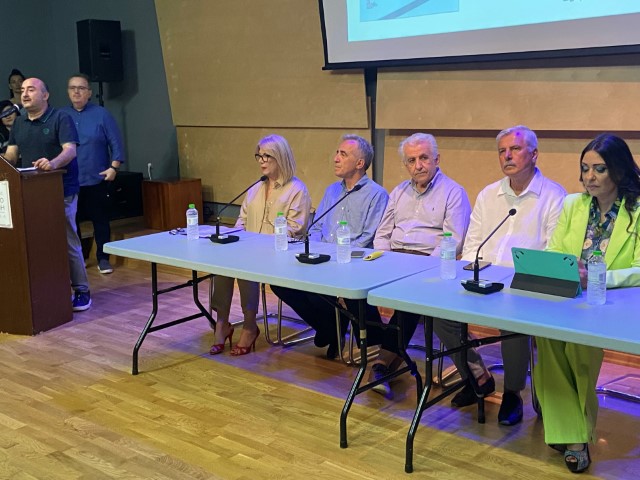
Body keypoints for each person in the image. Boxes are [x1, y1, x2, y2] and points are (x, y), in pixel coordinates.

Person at [433, 125, 566, 426]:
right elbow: (472, 245)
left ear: (534, 154)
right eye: (502, 151)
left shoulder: (553, 196)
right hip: (484, 279)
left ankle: (513, 393)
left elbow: (553, 251)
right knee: (440, 315)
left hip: (524, 285)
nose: (507, 156)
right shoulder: (488, 194)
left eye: (515, 149)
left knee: (512, 321)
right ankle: (477, 376)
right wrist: (468, 276)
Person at [535, 134, 640, 473]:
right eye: (585, 168)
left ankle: (572, 436)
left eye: (599, 169)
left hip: (612, 301)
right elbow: (554, 250)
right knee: (546, 337)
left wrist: (597, 277)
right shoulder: (573, 205)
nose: (590, 177)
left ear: (619, 171)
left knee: (579, 348)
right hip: (568, 295)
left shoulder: (637, 211)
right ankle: (573, 433)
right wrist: (567, 271)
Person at [368, 132, 471, 398]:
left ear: (437, 159)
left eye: (424, 158)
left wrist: (422, 267)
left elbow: (453, 240)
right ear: (406, 164)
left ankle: (381, 363)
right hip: (394, 260)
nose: (418, 166)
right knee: (360, 290)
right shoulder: (398, 192)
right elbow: (382, 233)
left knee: (410, 298)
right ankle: (382, 358)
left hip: (430, 263)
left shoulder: (453, 192)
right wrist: (385, 260)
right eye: (411, 160)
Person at [270, 134, 389, 359]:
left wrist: (334, 257)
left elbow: (368, 238)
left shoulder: (377, 194)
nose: (336, 158)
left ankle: (332, 329)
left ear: (360, 163)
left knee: (319, 292)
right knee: (280, 283)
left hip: (352, 262)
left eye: (343, 154)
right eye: (337, 153)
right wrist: (315, 253)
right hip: (322, 258)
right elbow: (316, 227)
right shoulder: (332, 190)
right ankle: (330, 328)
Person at [210, 134, 311, 356]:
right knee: (222, 260)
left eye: (267, 156)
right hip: (251, 249)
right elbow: (242, 221)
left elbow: (296, 229)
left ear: (280, 157)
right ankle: (222, 323)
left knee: (247, 263)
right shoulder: (255, 188)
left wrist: (259, 243)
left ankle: (249, 326)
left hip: (280, 253)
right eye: (259, 156)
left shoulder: (297, 189)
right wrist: (236, 238)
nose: (262, 161)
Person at [4, 78, 91, 311]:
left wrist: (52, 164)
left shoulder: (61, 118)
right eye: (23, 90)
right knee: (37, 242)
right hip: (30, 193)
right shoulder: (19, 122)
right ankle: (47, 290)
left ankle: (82, 290)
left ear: (45, 95)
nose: (24, 94)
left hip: (61, 190)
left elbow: (70, 151)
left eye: (31, 90)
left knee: (67, 240)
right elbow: (11, 155)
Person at [63, 73, 125, 275]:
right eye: (73, 88)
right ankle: (77, 260)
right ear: (68, 92)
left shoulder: (101, 114)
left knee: (101, 220)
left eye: (81, 88)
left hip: (97, 177)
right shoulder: (61, 116)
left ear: (89, 92)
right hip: (70, 180)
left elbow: (115, 142)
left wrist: (114, 167)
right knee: (72, 223)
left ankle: (103, 258)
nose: (77, 92)